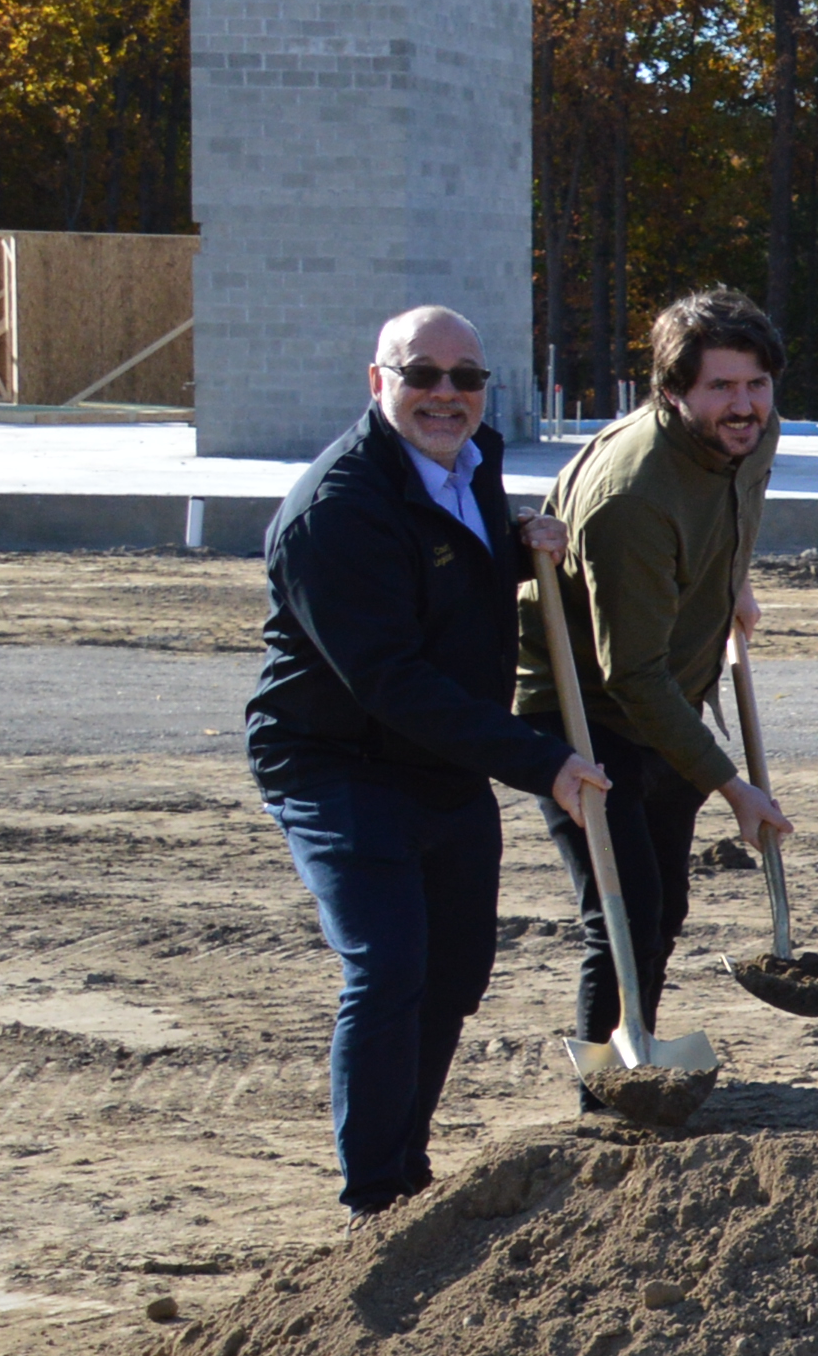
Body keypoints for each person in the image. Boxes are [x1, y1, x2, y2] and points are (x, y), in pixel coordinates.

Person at [247, 306, 607, 1215]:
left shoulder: (468, 468)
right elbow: (390, 678)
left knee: (453, 972)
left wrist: (522, 555)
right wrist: (541, 759)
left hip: (440, 758)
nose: (446, 394)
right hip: (338, 761)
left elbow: (443, 581)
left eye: (467, 378)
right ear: (379, 383)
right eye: (422, 375)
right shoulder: (335, 512)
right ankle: (374, 1195)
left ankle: (407, 1165)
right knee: (390, 964)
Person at [519, 288, 789, 1079]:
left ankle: (638, 1053)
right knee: (626, 910)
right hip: (585, 711)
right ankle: (603, 1091)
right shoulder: (633, 497)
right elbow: (628, 675)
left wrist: (730, 580)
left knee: (664, 905)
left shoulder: (751, 435)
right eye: (720, 389)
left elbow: (737, 504)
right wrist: (733, 786)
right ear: (673, 392)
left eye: (756, 385)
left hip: (671, 689)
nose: (744, 407)